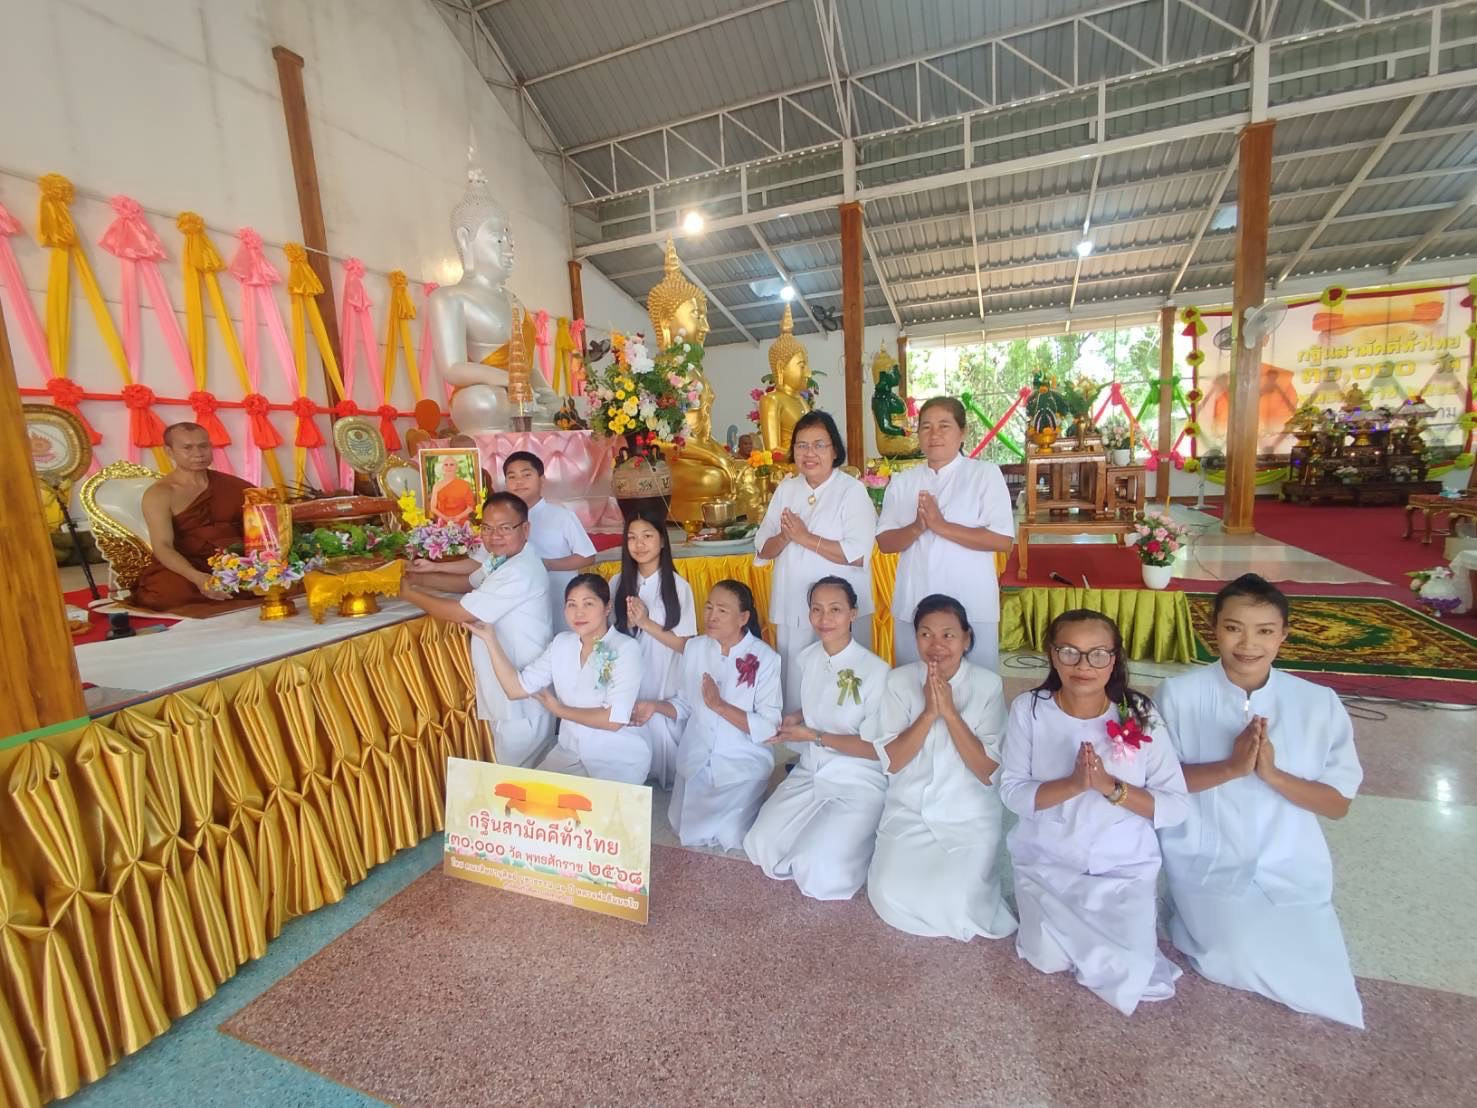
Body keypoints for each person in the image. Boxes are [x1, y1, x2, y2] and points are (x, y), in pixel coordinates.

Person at [1156, 574, 1364, 1028]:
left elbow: (1337, 804)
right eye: (1234, 628)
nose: (1248, 644)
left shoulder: (1318, 703)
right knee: (1231, 953)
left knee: (1316, 962)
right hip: (1204, 855)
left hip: (1291, 860)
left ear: (1284, 634)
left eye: (1265, 631)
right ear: (1212, 627)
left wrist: (1271, 773)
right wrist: (1230, 767)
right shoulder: (1179, 695)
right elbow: (1159, 787)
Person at [1000, 609, 1188, 1016]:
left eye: (1098, 654)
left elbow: (1175, 806)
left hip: (1121, 866)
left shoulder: (1139, 713)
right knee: (1045, 958)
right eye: (1070, 652)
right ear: (1051, 655)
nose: (1083, 666)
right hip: (1047, 861)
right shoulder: (1029, 710)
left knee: (1132, 971)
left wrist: (1110, 788)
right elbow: (1012, 793)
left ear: (1115, 659)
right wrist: (1072, 785)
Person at [866, 595, 1015, 941]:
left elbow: (986, 770)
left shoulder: (987, 685)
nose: (936, 646)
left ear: (966, 639)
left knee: (956, 901)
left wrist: (949, 711)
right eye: (925, 634)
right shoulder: (898, 681)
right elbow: (893, 760)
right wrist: (928, 713)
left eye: (948, 635)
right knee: (890, 892)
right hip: (909, 807)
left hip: (968, 814)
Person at [742, 577, 889, 900]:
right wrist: (793, 719)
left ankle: (864, 841)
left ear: (853, 613)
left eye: (835, 610)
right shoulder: (809, 658)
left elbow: (877, 749)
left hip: (858, 779)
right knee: (759, 844)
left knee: (817, 870)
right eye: (817, 610)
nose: (825, 619)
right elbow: (819, 708)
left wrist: (814, 735)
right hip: (812, 770)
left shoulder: (877, 672)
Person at [399, 492, 554, 767]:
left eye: (505, 528)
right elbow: (469, 585)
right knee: (515, 769)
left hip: (521, 694)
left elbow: (461, 612)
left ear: (525, 529)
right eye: (488, 528)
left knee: (518, 777)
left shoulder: (519, 571)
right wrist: (418, 577)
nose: (495, 536)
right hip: (507, 685)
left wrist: (409, 594)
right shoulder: (502, 560)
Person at [877, 396, 1014, 672]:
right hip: (914, 599)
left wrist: (941, 526)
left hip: (970, 600)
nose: (934, 434)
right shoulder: (903, 481)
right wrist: (918, 527)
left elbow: (1002, 540)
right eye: (926, 427)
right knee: (915, 685)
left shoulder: (984, 474)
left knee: (974, 688)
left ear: (962, 432)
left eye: (944, 426)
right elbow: (885, 542)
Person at [471, 574, 650, 785]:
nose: (579, 612)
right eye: (571, 604)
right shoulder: (561, 644)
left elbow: (613, 721)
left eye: (588, 604)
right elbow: (516, 689)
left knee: (602, 815)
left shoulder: (625, 648)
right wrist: (490, 639)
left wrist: (558, 710)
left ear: (607, 607)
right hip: (569, 751)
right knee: (533, 803)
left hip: (617, 756)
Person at [753, 410, 876, 711]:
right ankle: (801, 750)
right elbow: (763, 548)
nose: (810, 453)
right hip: (795, 601)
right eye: (802, 445)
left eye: (819, 445)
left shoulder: (852, 491)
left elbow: (857, 553)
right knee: (797, 680)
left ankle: (844, 745)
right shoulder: (787, 489)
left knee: (841, 684)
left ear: (835, 450)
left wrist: (804, 537)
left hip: (837, 609)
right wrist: (785, 537)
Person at [654, 580, 782, 850]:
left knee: (731, 835)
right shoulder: (696, 648)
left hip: (741, 761)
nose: (711, 616)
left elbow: (769, 727)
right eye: (709, 607)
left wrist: (720, 706)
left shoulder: (766, 658)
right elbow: (685, 704)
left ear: (743, 618)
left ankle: (753, 796)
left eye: (722, 610)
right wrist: (653, 707)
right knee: (685, 828)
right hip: (698, 758)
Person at [611, 514, 696, 787]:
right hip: (628, 675)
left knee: (660, 731)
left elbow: (687, 646)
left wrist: (646, 623)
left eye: (647, 536)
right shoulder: (617, 583)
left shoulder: (678, 587)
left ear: (662, 542)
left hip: (664, 675)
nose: (639, 544)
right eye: (632, 537)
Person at [133, 422, 253, 610]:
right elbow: (162, 546)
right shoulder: (160, 493)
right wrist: (197, 578)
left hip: (234, 559)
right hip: (188, 563)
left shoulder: (236, 486)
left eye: (203, 446)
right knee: (168, 594)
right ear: (169, 451)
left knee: (281, 577)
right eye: (187, 447)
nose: (198, 453)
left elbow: (261, 527)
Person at [495, 450, 596, 624]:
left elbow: (587, 556)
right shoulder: (501, 520)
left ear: (541, 480)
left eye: (526, 475)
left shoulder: (562, 516)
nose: (519, 482)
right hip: (516, 604)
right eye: (512, 477)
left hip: (556, 599)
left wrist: (548, 565)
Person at [428, 453, 477, 524]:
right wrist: (446, 518)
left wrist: (458, 517)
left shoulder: (465, 485)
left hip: (461, 521)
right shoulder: (437, 486)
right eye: (446, 465)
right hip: (442, 522)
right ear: (443, 468)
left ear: (456, 468)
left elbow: (470, 507)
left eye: (452, 464)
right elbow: (433, 508)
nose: (449, 467)